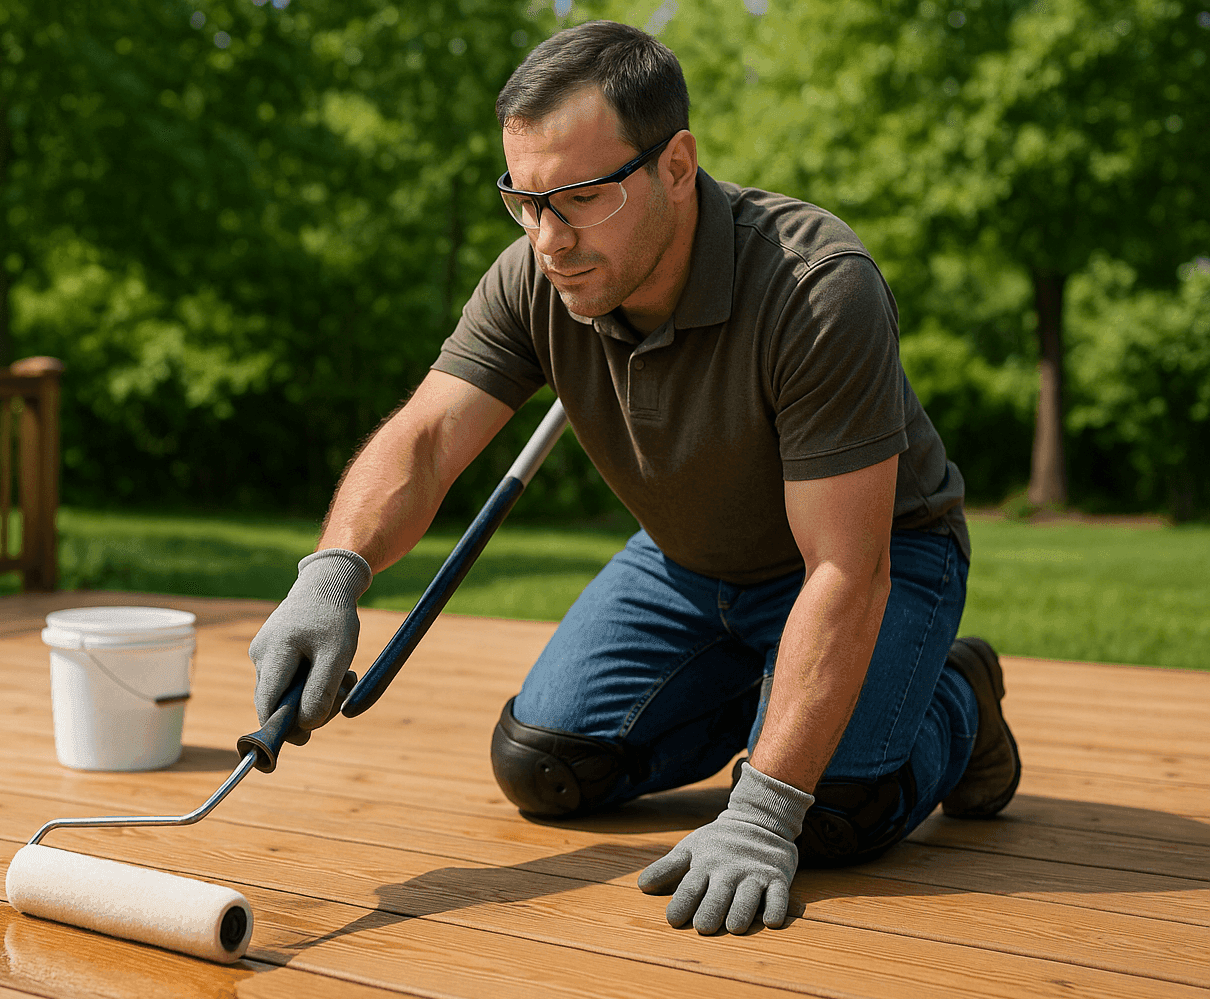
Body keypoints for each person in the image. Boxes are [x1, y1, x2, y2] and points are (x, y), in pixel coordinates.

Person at [247, 20, 1021, 937]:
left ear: (678, 165)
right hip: (689, 563)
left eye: (576, 197)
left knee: (831, 815)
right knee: (544, 766)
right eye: (523, 200)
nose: (546, 238)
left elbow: (846, 572)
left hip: (877, 559)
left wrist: (767, 810)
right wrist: (331, 574)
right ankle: (787, 698)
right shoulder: (538, 277)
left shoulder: (817, 288)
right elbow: (424, 439)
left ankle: (956, 697)